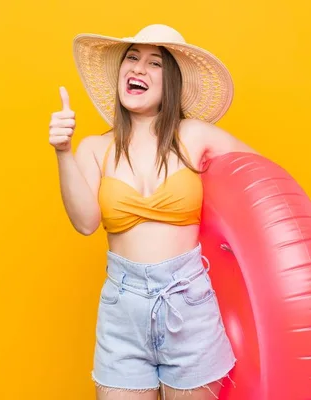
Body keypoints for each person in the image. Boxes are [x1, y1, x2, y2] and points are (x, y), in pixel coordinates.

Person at [49, 24, 257, 400]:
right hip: (121, 310)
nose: (138, 69)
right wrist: (63, 151)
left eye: (154, 62)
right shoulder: (95, 148)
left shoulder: (194, 136)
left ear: (171, 81)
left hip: (188, 304)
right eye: (132, 58)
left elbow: (265, 187)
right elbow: (84, 223)